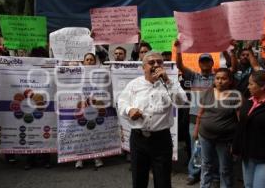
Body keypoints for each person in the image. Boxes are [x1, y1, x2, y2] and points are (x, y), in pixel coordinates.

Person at [118, 51, 187, 188]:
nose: (156, 65)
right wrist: (129, 110)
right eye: (151, 63)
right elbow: (122, 102)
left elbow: (181, 101)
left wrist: (167, 81)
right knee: (139, 180)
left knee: (163, 182)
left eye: (159, 62)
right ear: (143, 67)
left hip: (161, 141)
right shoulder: (134, 85)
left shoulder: (171, 84)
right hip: (138, 140)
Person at [175, 41, 217, 185]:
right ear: (199, 64)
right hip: (194, 119)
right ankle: (193, 173)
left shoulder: (218, 78)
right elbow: (179, 66)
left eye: (207, 60)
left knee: (212, 149)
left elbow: (234, 68)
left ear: (212, 63)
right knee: (195, 148)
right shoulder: (193, 76)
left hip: (211, 119)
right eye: (202, 61)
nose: (205, 63)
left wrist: (228, 51)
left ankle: (212, 174)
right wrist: (179, 49)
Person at [194, 68, 242, 188]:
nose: (220, 81)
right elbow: (200, 114)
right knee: (206, 165)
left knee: (225, 168)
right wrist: (196, 131)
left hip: (225, 139)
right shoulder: (207, 92)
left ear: (230, 81)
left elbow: (241, 120)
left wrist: (238, 140)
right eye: (217, 78)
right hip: (205, 136)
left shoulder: (235, 95)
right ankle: (204, 186)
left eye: (224, 78)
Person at [232, 70, 265, 188]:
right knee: (248, 185)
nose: (248, 87)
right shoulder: (249, 101)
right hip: (248, 157)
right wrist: (236, 147)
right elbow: (242, 125)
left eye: (251, 84)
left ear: (262, 86)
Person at [75, 52, 103, 169]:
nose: (89, 62)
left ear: (95, 62)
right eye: (87, 60)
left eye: (92, 60)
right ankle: (80, 159)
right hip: (81, 107)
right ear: (83, 61)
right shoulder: (77, 73)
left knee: (95, 132)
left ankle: (97, 157)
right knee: (81, 134)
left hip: (95, 108)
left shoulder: (100, 73)